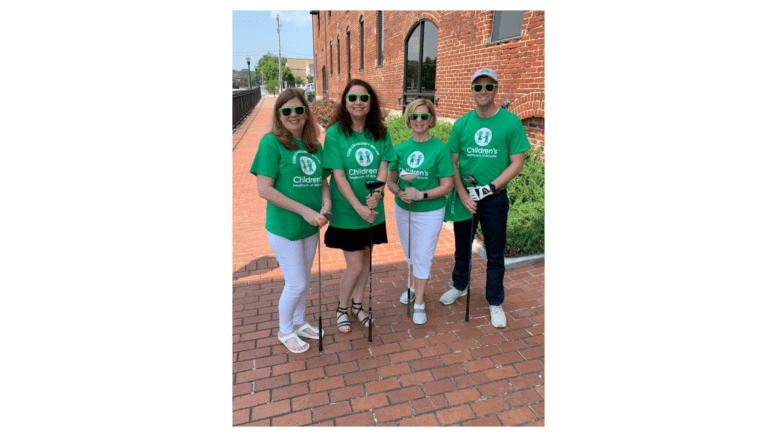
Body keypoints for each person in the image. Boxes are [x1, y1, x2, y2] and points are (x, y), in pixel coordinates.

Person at [441, 68, 532, 328]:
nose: (483, 92)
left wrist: (490, 187)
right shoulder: (462, 123)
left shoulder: (510, 122)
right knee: (461, 249)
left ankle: (494, 301)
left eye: (488, 87)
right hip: (464, 197)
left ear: (495, 90)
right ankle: (459, 286)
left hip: (494, 198)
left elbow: (517, 163)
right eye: (478, 87)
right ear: (472, 90)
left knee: (494, 253)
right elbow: (453, 162)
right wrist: (462, 193)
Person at [250, 88, 332, 353]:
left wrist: (326, 204)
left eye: (299, 109)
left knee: (304, 279)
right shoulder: (270, 142)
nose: (294, 115)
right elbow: (265, 189)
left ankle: (299, 322)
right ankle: (285, 330)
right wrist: (303, 210)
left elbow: (321, 181)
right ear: (279, 115)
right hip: (284, 227)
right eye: (287, 111)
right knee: (295, 282)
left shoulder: (314, 146)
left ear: (306, 113)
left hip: (310, 225)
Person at [322, 79, 396, 333]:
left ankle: (357, 305)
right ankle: (342, 308)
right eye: (352, 98)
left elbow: (383, 167)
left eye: (363, 98)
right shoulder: (335, 134)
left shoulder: (380, 133)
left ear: (370, 102)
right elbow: (338, 175)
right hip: (347, 211)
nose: (358, 103)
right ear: (345, 102)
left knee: (366, 261)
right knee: (354, 265)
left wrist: (376, 195)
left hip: (372, 210)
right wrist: (359, 207)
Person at [386, 99, 453, 324]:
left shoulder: (440, 149)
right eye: (414, 116)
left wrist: (421, 195)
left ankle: (420, 303)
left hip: (430, 212)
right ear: (408, 119)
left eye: (424, 116)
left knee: (423, 255)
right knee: (411, 254)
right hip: (404, 210)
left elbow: (446, 186)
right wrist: (399, 193)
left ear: (431, 120)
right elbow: (391, 181)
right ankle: (414, 288)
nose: (419, 120)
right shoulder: (400, 149)